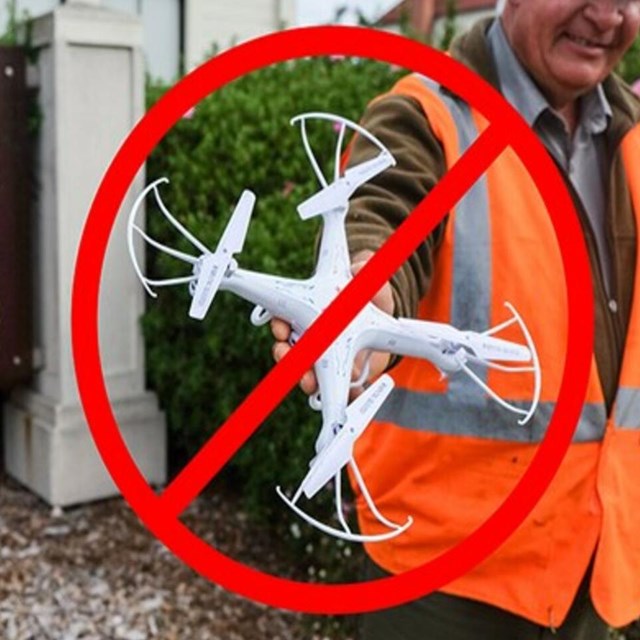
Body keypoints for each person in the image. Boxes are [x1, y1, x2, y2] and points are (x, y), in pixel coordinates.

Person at [272, 1, 640, 638]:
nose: (607, 16)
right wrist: (365, 306)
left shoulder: (630, 134)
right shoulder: (424, 117)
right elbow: (383, 219)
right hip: (449, 588)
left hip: (603, 573)